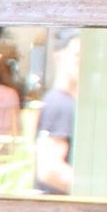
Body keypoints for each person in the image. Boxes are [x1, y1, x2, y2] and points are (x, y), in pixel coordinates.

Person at [32, 49, 78, 195]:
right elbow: (50, 170)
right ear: (59, 56)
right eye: (77, 54)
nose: (83, 61)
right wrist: (95, 189)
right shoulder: (60, 104)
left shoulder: (70, 103)